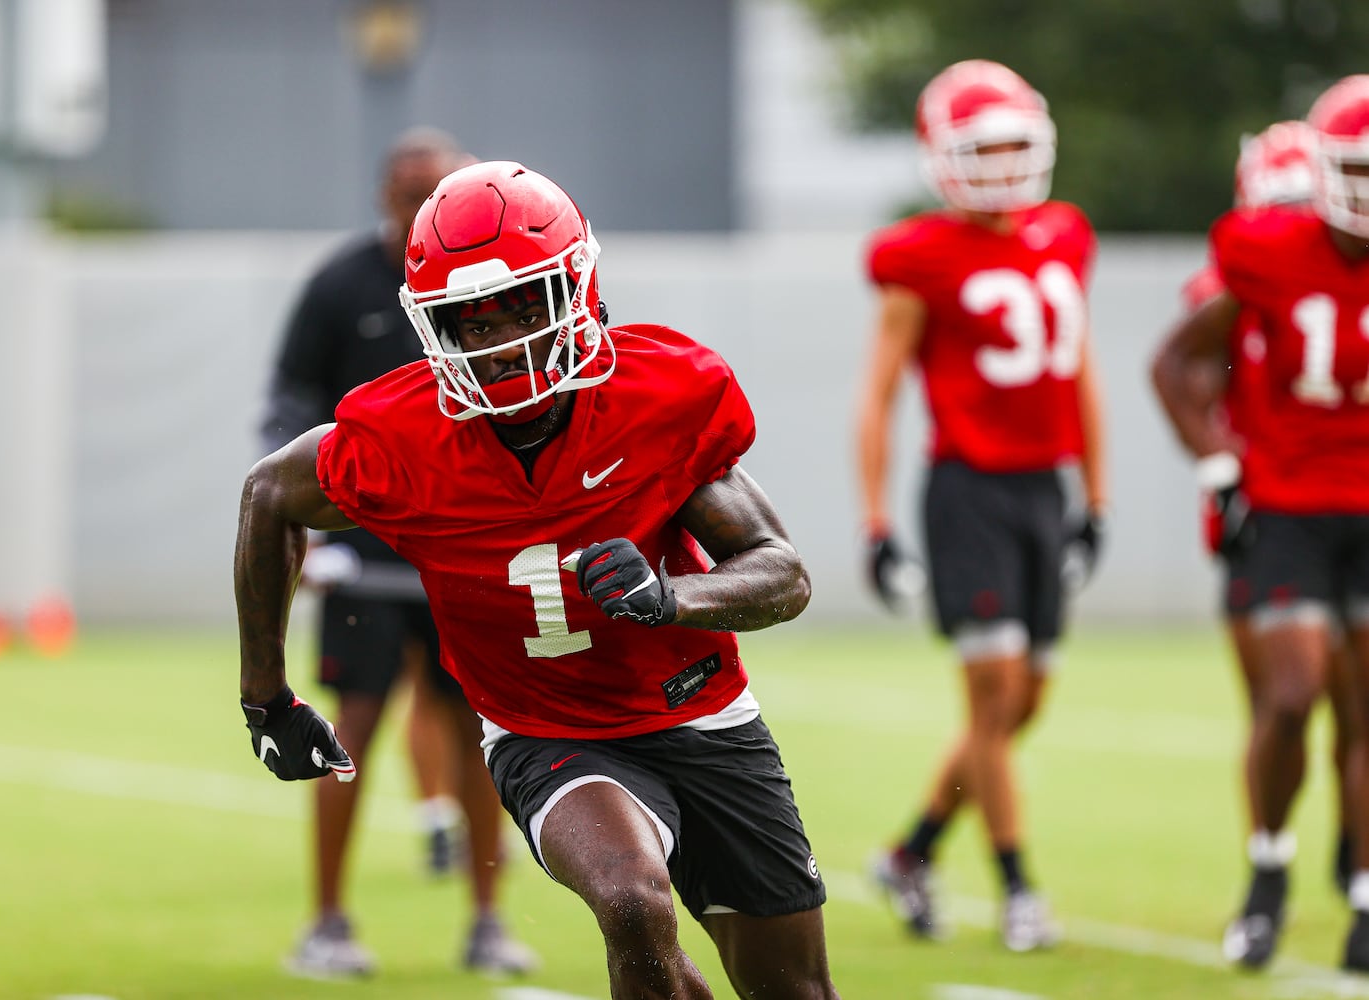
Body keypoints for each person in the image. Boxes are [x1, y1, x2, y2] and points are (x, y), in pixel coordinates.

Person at [235, 159, 840, 999]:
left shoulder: (656, 396)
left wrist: (671, 598)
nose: (505, 341)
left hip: (701, 713)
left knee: (795, 991)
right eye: (472, 321)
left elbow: (783, 575)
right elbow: (269, 492)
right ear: (433, 327)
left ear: (578, 287)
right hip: (548, 733)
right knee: (631, 900)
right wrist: (265, 695)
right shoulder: (403, 436)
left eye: (524, 305)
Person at [258, 127, 535, 978]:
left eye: (440, 188)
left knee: (483, 735)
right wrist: (310, 535)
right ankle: (327, 919)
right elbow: (287, 410)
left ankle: (488, 919)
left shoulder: (486, 285)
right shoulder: (341, 284)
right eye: (411, 188)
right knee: (352, 730)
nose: (424, 203)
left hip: (463, 547)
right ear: (385, 194)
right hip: (366, 555)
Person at [856, 59, 1108, 952]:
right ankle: (1017, 888)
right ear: (942, 156)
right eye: (982, 146)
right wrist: (876, 523)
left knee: (1019, 706)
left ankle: (910, 852)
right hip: (968, 492)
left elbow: (1079, 371)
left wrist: (1097, 498)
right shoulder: (917, 256)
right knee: (994, 696)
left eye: (1013, 145)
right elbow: (880, 394)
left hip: (1043, 489)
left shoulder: (1065, 235)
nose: (1001, 163)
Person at [1152, 76, 1369, 973]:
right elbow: (1176, 361)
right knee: (1289, 700)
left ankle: (1361, 897)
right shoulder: (1266, 251)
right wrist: (1218, 462)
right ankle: (1270, 873)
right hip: (1285, 508)